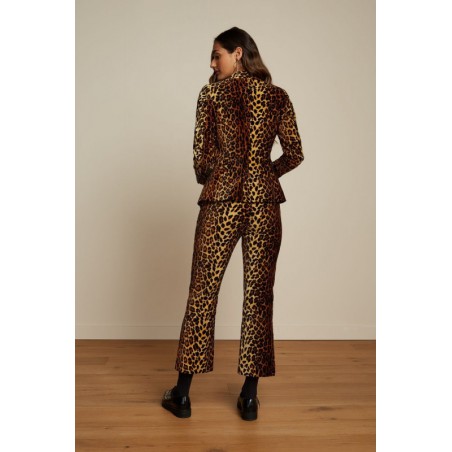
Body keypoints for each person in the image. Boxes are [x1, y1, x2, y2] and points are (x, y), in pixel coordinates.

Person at [162, 26, 304, 421]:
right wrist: (263, 175)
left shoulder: (210, 95)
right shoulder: (277, 96)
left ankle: (182, 395)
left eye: (217, 55)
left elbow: (200, 160)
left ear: (238, 53)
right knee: (259, 295)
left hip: (221, 201)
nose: (211, 63)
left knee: (202, 291)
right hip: (264, 204)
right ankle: (250, 397)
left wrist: (220, 176)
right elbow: (294, 153)